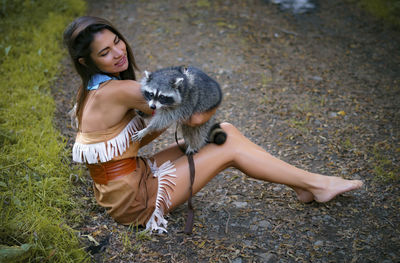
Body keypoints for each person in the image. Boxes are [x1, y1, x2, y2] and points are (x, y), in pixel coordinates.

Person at [63, 16, 363, 233]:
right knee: (226, 148)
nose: (119, 52)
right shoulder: (119, 91)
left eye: (117, 41)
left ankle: (306, 186)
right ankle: (318, 184)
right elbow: (196, 116)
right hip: (135, 201)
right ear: (85, 61)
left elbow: (128, 143)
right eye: (105, 52)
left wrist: (164, 115)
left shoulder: (92, 90)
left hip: (125, 182)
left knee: (225, 132)